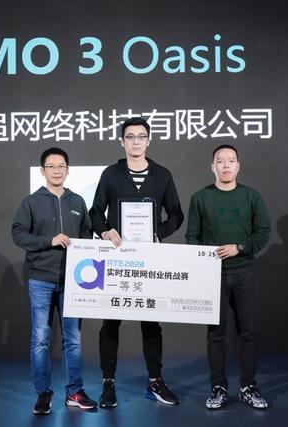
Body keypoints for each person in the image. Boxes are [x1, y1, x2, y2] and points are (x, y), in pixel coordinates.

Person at [89, 117, 184, 407]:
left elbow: (176, 214)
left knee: (151, 322)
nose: (136, 141)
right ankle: (108, 382)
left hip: (149, 258)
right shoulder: (111, 174)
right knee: (110, 322)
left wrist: (158, 234)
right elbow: (95, 212)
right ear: (122, 142)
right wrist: (104, 231)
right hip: (117, 258)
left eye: (141, 136)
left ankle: (155, 381)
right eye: (130, 136)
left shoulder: (162, 175)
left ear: (148, 141)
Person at [185, 144, 271, 410]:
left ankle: (248, 387)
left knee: (248, 332)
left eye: (231, 160)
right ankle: (218, 388)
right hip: (213, 276)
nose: (226, 165)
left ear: (238, 166)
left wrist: (240, 248)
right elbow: (192, 236)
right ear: (212, 166)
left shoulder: (251, 196)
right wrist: (203, 260)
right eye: (220, 161)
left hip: (244, 272)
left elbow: (263, 232)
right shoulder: (200, 198)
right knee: (216, 334)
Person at [12, 147, 97, 415]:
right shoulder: (30, 202)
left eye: (61, 166)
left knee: (73, 340)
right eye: (51, 166)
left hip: (73, 281)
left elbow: (87, 236)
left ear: (68, 170)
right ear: (43, 171)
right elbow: (18, 234)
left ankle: (74, 392)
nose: (57, 170)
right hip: (41, 279)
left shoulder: (77, 202)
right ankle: (43, 393)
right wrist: (49, 241)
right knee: (40, 339)